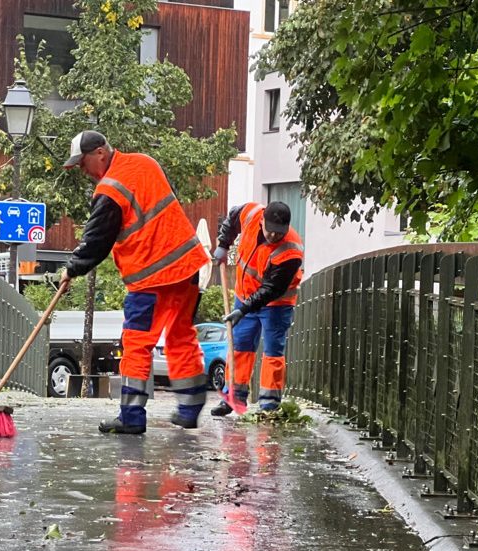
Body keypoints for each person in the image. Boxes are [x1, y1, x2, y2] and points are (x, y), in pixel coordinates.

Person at [60, 130, 209, 434]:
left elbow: (96, 240)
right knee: (181, 337)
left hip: (151, 278)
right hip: (188, 266)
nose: (82, 170)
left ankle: (131, 416)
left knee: (137, 343)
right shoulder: (145, 163)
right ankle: (190, 408)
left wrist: (71, 269)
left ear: (100, 152)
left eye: (83, 162)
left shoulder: (111, 189)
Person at [210, 201, 303, 415]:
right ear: (262, 221)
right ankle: (233, 397)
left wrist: (243, 310)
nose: (273, 236)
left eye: (279, 233)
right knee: (240, 347)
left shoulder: (291, 251)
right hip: (244, 297)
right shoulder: (251, 214)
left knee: (272, 352)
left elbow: (271, 289)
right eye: (270, 231)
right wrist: (224, 245)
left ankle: (269, 406)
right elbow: (232, 218)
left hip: (276, 304)